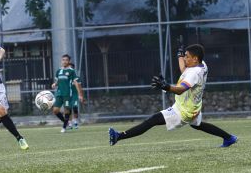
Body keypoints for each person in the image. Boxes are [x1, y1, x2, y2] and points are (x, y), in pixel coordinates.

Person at [109, 44, 238, 147]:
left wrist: (166, 87)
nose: (185, 59)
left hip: (183, 111)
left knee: (153, 120)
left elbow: (181, 89)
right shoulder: (202, 65)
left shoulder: (194, 73)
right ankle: (229, 138)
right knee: (198, 125)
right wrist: (180, 56)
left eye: (187, 56)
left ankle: (118, 136)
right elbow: (184, 70)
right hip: (194, 107)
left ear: (195, 59)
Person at [52, 54, 84, 133]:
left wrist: (80, 94)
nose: (64, 61)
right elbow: (57, 81)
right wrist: (54, 84)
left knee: (67, 111)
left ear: (69, 61)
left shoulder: (71, 71)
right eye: (63, 60)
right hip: (59, 93)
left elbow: (76, 83)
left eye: (66, 60)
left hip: (67, 94)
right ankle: (66, 122)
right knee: (55, 110)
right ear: (61, 61)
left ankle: (64, 127)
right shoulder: (58, 71)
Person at [68, 63, 82, 129]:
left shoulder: (77, 78)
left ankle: (75, 122)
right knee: (68, 109)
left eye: (71, 68)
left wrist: (80, 95)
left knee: (75, 108)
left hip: (75, 96)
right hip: (67, 96)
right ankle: (70, 123)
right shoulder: (66, 78)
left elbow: (79, 87)